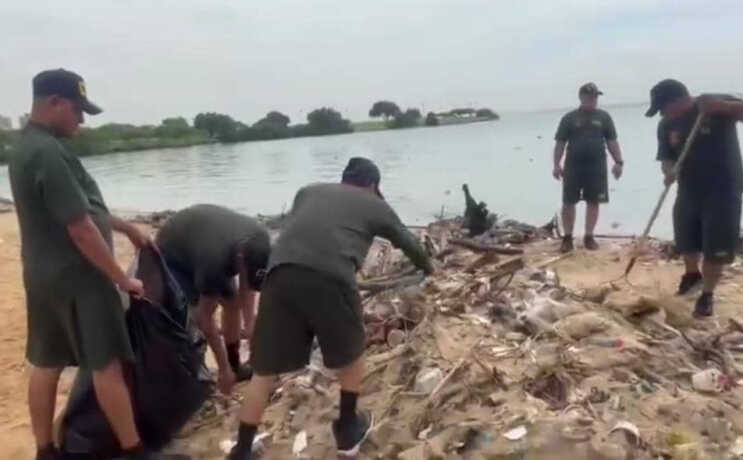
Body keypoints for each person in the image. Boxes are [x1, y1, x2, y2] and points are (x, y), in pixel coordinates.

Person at [9, 69, 185, 460]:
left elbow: (81, 208)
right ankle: (134, 450)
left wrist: (126, 229)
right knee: (107, 364)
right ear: (54, 102)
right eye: (77, 109)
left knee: (47, 360)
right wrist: (122, 279)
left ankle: (44, 450)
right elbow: (82, 228)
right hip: (82, 278)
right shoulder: (50, 153)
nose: (81, 119)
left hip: (42, 276)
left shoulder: (25, 147)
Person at [227, 157, 434, 459]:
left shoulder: (307, 192)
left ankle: (243, 450)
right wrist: (429, 268)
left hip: (279, 275)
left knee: (264, 371)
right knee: (352, 356)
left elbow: (306, 229)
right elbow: (409, 243)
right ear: (374, 185)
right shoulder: (375, 204)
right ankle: (348, 428)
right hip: (331, 277)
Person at [647, 79, 743, 317]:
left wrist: (723, 107)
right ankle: (692, 275)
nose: (662, 113)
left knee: (715, 245)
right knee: (686, 238)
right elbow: (666, 157)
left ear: (679, 100)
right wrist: (668, 172)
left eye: (663, 107)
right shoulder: (666, 124)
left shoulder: (711, 103)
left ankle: (707, 295)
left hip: (723, 188)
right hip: (689, 188)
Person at [155, 204, 271, 394]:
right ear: (239, 258)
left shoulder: (261, 240)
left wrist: (251, 326)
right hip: (174, 254)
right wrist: (223, 370)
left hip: (208, 241)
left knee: (233, 303)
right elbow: (204, 318)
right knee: (190, 315)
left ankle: (236, 366)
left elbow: (247, 288)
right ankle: (197, 373)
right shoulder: (215, 262)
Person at [552, 82, 625, 252]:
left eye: (595, 97)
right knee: (569, 202)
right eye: (589, 97)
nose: (592, 100)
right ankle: (568, 238)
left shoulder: (604, 117)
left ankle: (589, 236)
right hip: (573, 166)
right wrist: (556, 165)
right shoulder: (569, 118)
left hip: (597, 166)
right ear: (581, 97)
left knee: (594, 202)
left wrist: (619, 162)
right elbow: (560, 143)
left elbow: (612, 141)